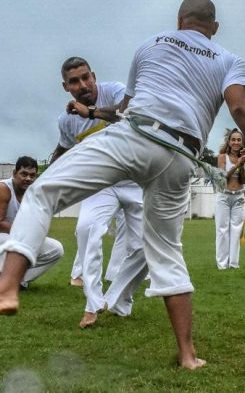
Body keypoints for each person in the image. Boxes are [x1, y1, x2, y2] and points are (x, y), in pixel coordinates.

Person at [0, 0, 245, 369]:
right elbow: (239, 107)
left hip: (136, 135)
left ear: (179, 21)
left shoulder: (151, 43)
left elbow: (124, 109)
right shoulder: (228, 58)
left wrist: (93, 114)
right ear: (214, 28)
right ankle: (188, 355)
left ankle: (7, 288)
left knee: (43, 192)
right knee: (166, 250)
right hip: (179, 155)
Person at [49, 57, 145, 328]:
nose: (82, 85)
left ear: (93, 75)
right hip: (100, 185)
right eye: (74, 82)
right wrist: (44, 180)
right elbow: (64, 149)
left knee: (144, 248)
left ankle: (118, 298)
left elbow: (122, 113)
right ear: (65, 86)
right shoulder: (66, 121)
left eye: (85, 78)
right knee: (86, 230)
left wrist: (90, 113)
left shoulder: (114, 91)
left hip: (134, 180)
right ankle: (93, 303)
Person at [0, 157, 63, 292]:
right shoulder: (2, 189)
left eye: (32, 175)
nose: (28, 178)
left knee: (55, 249)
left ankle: (18, 281)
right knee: (9, 241)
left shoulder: (35, 194)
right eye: (24, 174)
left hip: (13, 237)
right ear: (15, 173)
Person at [214, 128, 245, 270]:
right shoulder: (222, 157)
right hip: (224, 195)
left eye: (238, 140)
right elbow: (222, 178)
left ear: (242, 142)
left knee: (236, 229)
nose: (236, 142)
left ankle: (234, 263)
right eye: (233, 139)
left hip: (239, 196)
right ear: (229, 142)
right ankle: (222, 264)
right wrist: (236, 166)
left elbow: (244, 180)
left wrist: (242, 166)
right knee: (222, 229)